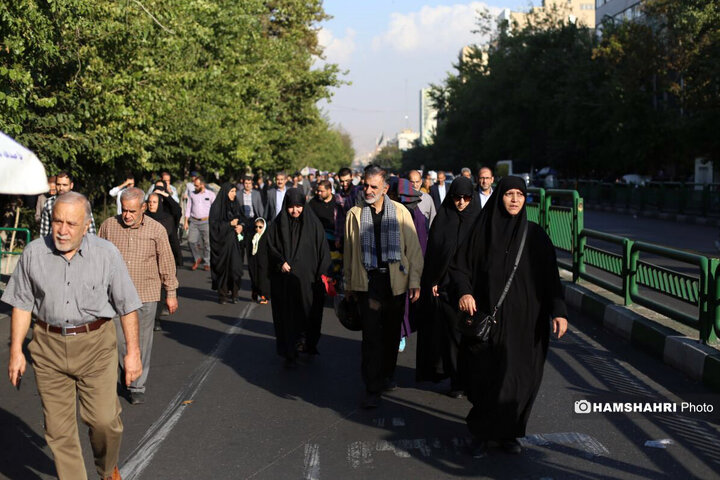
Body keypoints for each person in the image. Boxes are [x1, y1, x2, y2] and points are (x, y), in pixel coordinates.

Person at [4, 192, 142, 480]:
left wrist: (133, 353)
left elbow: (127, 306)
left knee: (105, 422)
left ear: (86, 225)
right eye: (57, 221)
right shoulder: (33, 253)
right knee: (58, 431)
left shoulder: (106, 254)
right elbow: (21, 304)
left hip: (96, 346)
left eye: (70, 223)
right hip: (48, 347)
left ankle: (106, 470)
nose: (62, 230)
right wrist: (16, 350)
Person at [449, 176, 568, 457]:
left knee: (519, 379)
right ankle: (481, 431)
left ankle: (507, 432)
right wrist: (465, 293)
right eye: (509, 194)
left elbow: (552, 279)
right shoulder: (482, 232)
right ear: (498, 197)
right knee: (484, 377)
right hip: (488, 320)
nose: (514, 199)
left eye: (520, 194)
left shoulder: (536, 237)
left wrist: (559, 312)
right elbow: (459, 268)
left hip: (527, 324)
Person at [344, 166, 424, 408]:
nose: (368, 190)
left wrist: (415, 281)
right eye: (365, 185)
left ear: (385, 189)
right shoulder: (354, 214)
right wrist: (348, 284)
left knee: (391, 335)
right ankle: (372, 386)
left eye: (373, 187)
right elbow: (349, 252)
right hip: (368, 283)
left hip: (395, 283)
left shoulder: (400, 212)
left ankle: (387, 374)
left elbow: (414, 250)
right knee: (371, 337)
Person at [98, 187, 179, 405]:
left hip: (146, 294)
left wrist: (170, 292)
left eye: (132, 211)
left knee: (142, 341)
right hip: (114, 296)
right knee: (116, 341)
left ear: (143, 208)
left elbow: (167, 262)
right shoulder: (108, 226)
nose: (127, 215)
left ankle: (136, 385)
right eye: (124, 210)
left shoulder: (156, 230)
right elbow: (97, 259)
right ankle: (125, 373)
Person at [416, 177, 480, 398]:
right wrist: (433, 280)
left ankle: (471, 378)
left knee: (472, 337)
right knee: (452, 337)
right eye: (456, 197)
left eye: (466, 197)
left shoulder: (478, 221)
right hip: (445, 286)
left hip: (472, 288)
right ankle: (456, 380)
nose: (461, 202)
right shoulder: (443, 219)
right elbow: (434, 253)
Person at [267, 188, 330, 367]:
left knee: (308, 314)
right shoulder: (277, 225)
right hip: (285, 282)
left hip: (308, 282)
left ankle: (307, 343)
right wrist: (280, 263)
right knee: (287, 316)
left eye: (299, 206)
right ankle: (290, 350)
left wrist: (322, 274)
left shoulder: (313, 224)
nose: (295, 211)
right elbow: (270, 248)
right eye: (291, 207)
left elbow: (322, 251)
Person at [306, 180, 344, 352]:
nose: (319, 194)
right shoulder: (312, 204)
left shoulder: (338, 203)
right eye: (318, 191)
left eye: (322, 191)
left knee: (335, 270)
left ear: (329, 190)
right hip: (318, 243)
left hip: (335, 241)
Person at [209, 182, 249, 304]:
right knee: (223, 269)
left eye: (234, 192)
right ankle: (223, 295)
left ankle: (235, 293)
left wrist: (241, 226)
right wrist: (228, 225)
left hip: (236, 244)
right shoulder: (217, 207)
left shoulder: (236, 204)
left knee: (236, 268)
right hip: (222, 245)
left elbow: (242, 219)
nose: (233, 194)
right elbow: (214, 225)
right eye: (231, 192)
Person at [39, 171, 97, 237]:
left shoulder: (81, 203)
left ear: (71, 185)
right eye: (58, 184)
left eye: (64, 185)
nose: (61, 188)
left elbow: (91, 231)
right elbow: (44, 232)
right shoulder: (49, 203)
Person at [147, 180, 183, 266]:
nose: (151, 204)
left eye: (161, 189)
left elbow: (177, 211)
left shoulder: (169, 214)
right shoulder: (146, 213)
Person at [184, 175, 216, 271]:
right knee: (191, 241)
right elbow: (188, 207)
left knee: (207, 243)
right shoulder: (192, 194)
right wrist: (186, 221)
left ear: (202, 185)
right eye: (194, 185)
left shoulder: (210, 194)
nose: (195, 187)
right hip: (194, 221)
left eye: (197, 185)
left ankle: (207, 262)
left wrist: (214, 222)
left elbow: (215, 209)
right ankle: (197, 258)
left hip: (206, 221)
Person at [248, 217, 270, 304]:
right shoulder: (252, 236)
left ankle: (264, 296)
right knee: (254, 277)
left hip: (264, 262)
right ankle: (255, 293)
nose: (258, 229)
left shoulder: (267, 236)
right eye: (256, 227)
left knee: (263, 279)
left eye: (260, 227)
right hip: (254, 261)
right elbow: (244, 242)